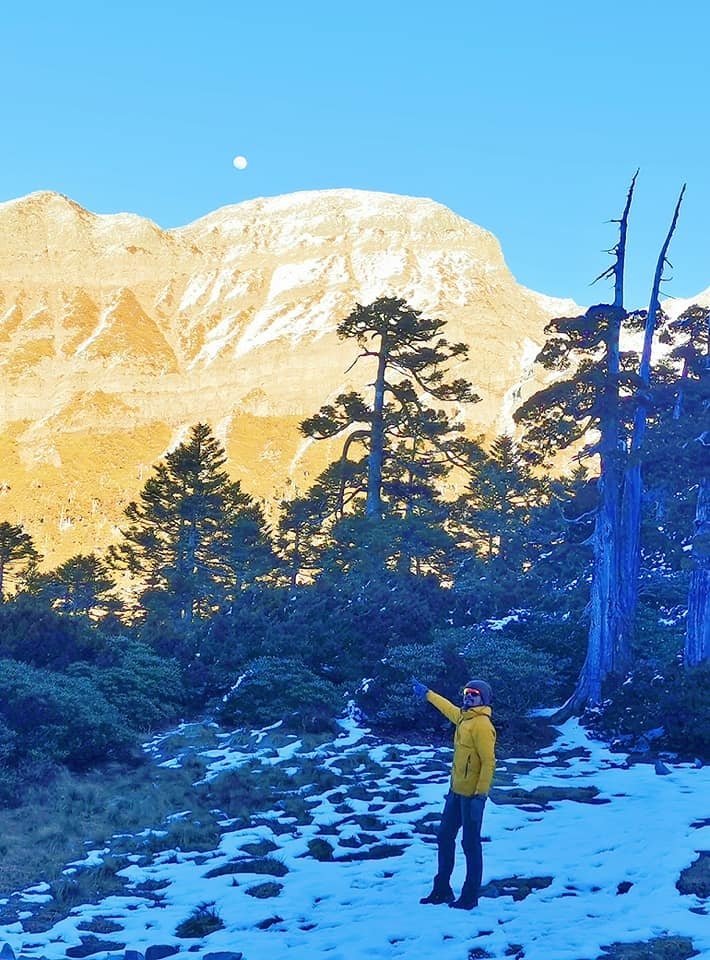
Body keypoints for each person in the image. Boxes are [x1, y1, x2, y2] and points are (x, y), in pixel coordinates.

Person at [412, 677, 496, 910]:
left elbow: (489, 763)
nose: (468, 695)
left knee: (470, 845)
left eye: (474, 694)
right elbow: (447, 706)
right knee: (444, 837)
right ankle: (442, 890)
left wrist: (481, 795)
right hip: (455, 792)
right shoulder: (463, 717)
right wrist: (427, 693)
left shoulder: (481, 725)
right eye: (467, 692)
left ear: (483, 699)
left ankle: (470, 897)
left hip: (472, 797)